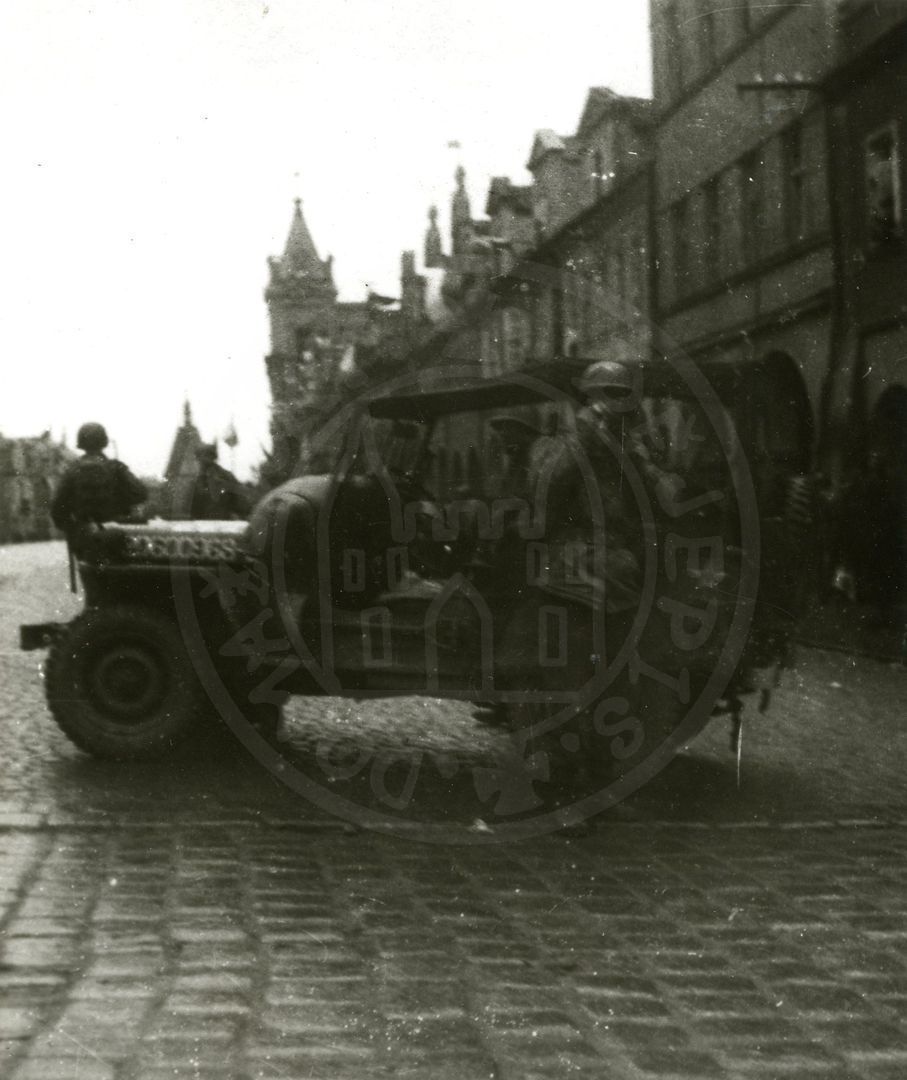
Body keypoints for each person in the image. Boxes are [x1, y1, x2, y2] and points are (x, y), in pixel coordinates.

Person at [51, 422, 148, 553]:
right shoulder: (116, 468)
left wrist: (72, 528)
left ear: (81, 443)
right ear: (104, 442)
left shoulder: (72, 471)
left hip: (85, 539)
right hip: (115, 536)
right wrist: (122, 499)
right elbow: (141, 494)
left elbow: (57, 508)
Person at [190, 443, 250, 520]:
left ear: (213, 457)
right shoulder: (195, 481)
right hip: (202, 526)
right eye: (199, 457)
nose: (202, 461)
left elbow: (243, 505)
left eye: (206, 456)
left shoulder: (227, 477)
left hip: (223, 525)